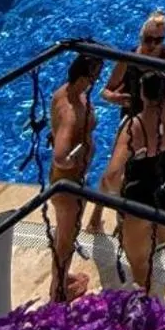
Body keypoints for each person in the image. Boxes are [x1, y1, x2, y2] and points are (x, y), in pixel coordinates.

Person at [100, 69, 165, 300]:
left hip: (140, 194)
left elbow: (111, 176)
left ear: (141, 93)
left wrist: (119, 196)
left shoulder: (134, 126)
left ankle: (149, 308)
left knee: (138, 259)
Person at [48, 54, 103, 301]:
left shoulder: (64, 93)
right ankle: (59, 293)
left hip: (64, 182)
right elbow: (60, 155)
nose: (98, 79)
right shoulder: (71, 112)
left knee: (63, 234)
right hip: (69, 183)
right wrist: (77, 157)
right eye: (95, 75)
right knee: (66, 240)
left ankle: (61, 278)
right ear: (84, 77)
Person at [103, 12, 165, 111]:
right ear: (141, 36)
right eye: (148, 39)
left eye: (158, 40)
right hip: (132, 114)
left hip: (160, 114)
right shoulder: (128, 59)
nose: (153, 44)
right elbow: (106, 91)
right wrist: (113, 98)